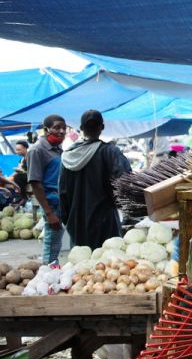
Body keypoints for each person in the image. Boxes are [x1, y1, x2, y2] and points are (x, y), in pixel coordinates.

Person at [59, 110, 131, 250]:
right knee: (107, 264)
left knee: (82, 264)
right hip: (104, 219)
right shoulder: (110, 151)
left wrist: (67, 219)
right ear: (102, 127)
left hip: (76, 220)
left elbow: (62, 191)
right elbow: (125, 182)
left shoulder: (67, 156)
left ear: (81, 128)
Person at [26, 115, 66, 265]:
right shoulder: (37, 150)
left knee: (57, 242)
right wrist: (49, 213)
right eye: (57, 128)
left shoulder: (57, 149)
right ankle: (47, 276)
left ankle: (53, 273)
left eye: (64, 128)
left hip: (61, 202)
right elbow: (36, 183)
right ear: (46, 129)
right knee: (51, 244)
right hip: (51, 203)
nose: (61, 131)